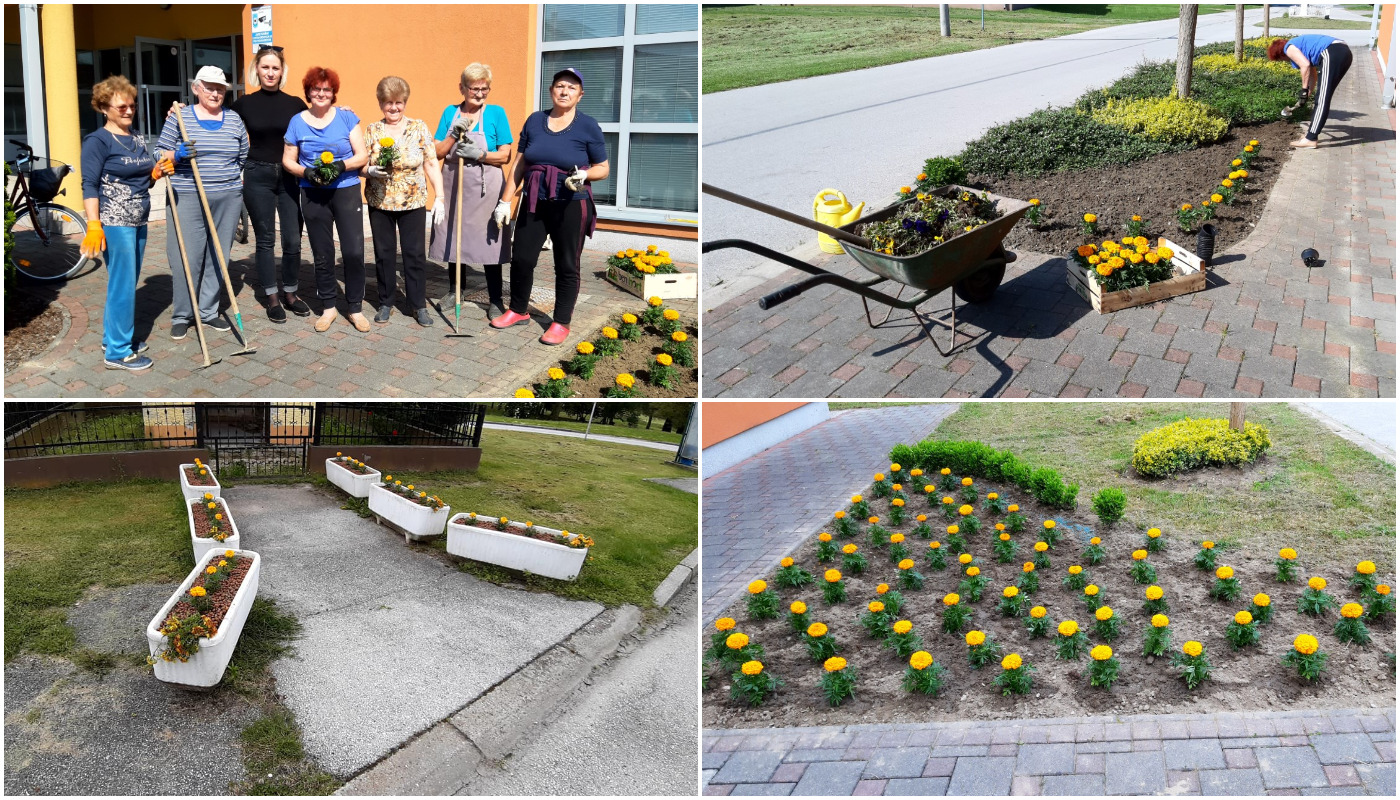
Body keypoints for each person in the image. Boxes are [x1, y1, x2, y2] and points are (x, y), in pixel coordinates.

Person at [497, 67, 608, 346]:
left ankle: (560, 322)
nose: (564, 91)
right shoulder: (535, 120)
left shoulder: (588, 126)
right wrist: (505, 200)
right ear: (551, 91)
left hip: (571, 202)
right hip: (534, 199)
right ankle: (518, 310)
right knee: (522, 257)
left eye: (571, 88)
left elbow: (603, 168)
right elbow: (520, 163)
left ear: (580, 95)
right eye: (560, 86)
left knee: (567, 263)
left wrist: (585, 174)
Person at [155, 65, 248, 340]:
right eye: (209, 87)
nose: (215, 93)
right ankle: (183, 314)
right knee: (187, 255)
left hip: (228, 196)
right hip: (188, 195)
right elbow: (158, 152)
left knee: (218, 254)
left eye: (220, 89)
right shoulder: (180, 117)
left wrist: (228, 178)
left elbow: (242, 153)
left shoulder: (233, 119)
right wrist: (177, 155)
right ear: (197, 88)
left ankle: (207, 311)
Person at [282, 65, 370, 332]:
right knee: (322, 253)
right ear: (308, 91)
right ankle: (329, 307)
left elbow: (362, 155)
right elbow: (287, 159)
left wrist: (341, 166)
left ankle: (355, 307)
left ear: (334, 93)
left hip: (346, 189)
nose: (321, 93)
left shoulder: (346, 118)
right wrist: (306, 171)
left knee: (353, 251)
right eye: (316, 89)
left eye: (326, 90)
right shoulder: (297, 121)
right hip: (312, 192)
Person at [80, 75, 157, 371]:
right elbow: (89, 184)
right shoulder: (97, 141)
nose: (128, 110)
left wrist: (155, 174)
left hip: (139, 219)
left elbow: (142, 179)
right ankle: (117, 353)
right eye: (121, 106)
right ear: (104, 108)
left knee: (125, 283)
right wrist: (93, 224)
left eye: (132, 105)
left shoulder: (136, 137)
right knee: (123, 286)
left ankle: (112, 338)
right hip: (114, 222)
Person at [230, 44, 311, 323]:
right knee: (265, 240)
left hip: (290, 175)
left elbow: (319, 121)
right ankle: (272, 297)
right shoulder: (244, 104)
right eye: (265, 67)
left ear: (282, 71)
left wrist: (344, 110)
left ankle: (291, 293)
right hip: (257, 175)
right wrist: (179, 111)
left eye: (275, 67)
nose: (270, 72)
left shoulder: (296, 104)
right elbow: (214, 118)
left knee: (292, 238)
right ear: (257, 69)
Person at [431, 63, 514, 319]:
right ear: (462, 88)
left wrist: (480, 154)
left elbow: (505, 155)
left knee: (490, 240)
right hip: (454, 183)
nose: (479, 94)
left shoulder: (496, 114)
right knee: (455, 236)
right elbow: (437, 152)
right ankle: (456, 290)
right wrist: (454, 135)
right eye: (474, 89)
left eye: (484, 89)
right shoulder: (450, 112)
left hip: (485, 187)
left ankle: (496, 298)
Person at [366, 75, 444, 326]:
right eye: (388, 103)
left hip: (412, 202)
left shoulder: (419, 127)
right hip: (380, 202)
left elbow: (431, 163)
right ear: (380, 103)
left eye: (399, 102)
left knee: (414, 254)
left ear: (405, 102)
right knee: (384, 253)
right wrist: (368, 170)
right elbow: (361, 162)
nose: (394, 108)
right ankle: (386, 301)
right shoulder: (372, 130)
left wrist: (440, 196)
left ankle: (418, 304)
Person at [1267, 35, 1353, 148]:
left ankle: (1310, 139)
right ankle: (1310, 135)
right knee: (1322, 97)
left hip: (1332, 52)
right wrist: (1308, 93)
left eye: (1280, 60)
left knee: (1322, 100)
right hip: (1342, 52)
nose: (1284, 61)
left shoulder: (1288, 48)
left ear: (1280, 54)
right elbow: (1312, 74)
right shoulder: (1302, 48)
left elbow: (1305, 65)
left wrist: (1303, 90)